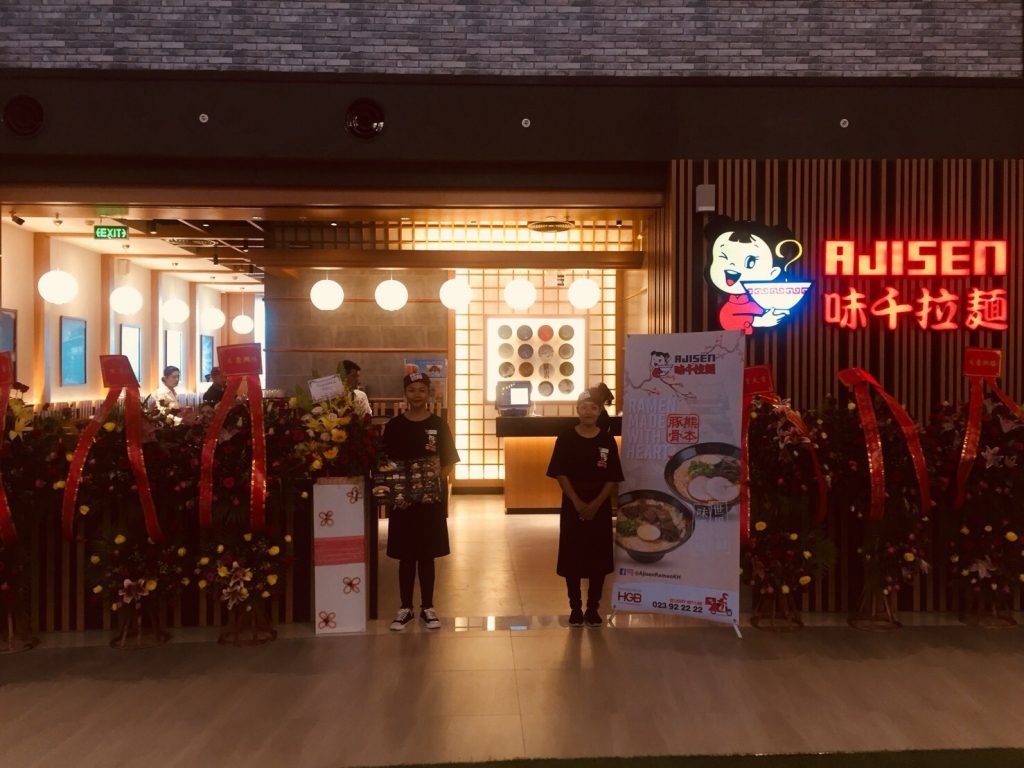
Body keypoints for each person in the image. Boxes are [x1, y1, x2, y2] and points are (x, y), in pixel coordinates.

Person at [382, 372, 459, 631]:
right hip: (402, 502)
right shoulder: (394, 426)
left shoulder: (439, 425)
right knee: (405, 556)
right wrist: (396, 491)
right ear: (405, 393)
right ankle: (405, 608)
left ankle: (428, 607)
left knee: (427, 554)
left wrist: (431, 482)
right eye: (412, 390)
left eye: (422, 390)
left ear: (429, 394)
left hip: (429, 501)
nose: (417, 395)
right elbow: (385, 463)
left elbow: (448, 461)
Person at [546, 386, 624, 628]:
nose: (588, 412)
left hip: (600, 505)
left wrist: (597, 504)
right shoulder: (566, 437)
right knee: (572, 556)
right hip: (573, 504)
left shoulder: (606, 439)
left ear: (600, 411)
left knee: (598, 557)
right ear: (577, 410)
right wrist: (578, 502)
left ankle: (593, 608)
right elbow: (560, 473)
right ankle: (575, 608)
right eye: (584, 407)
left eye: (593, 407)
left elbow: (612, 476)